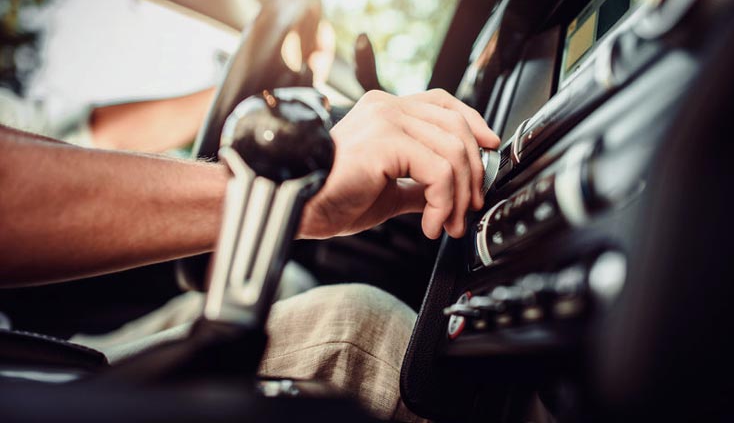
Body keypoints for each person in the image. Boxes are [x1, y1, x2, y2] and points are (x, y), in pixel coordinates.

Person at [0, 87, 501, 421]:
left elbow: (85, 138)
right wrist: (281, 194)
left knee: (286, 284)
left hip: (31, 353)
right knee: (359, 333)